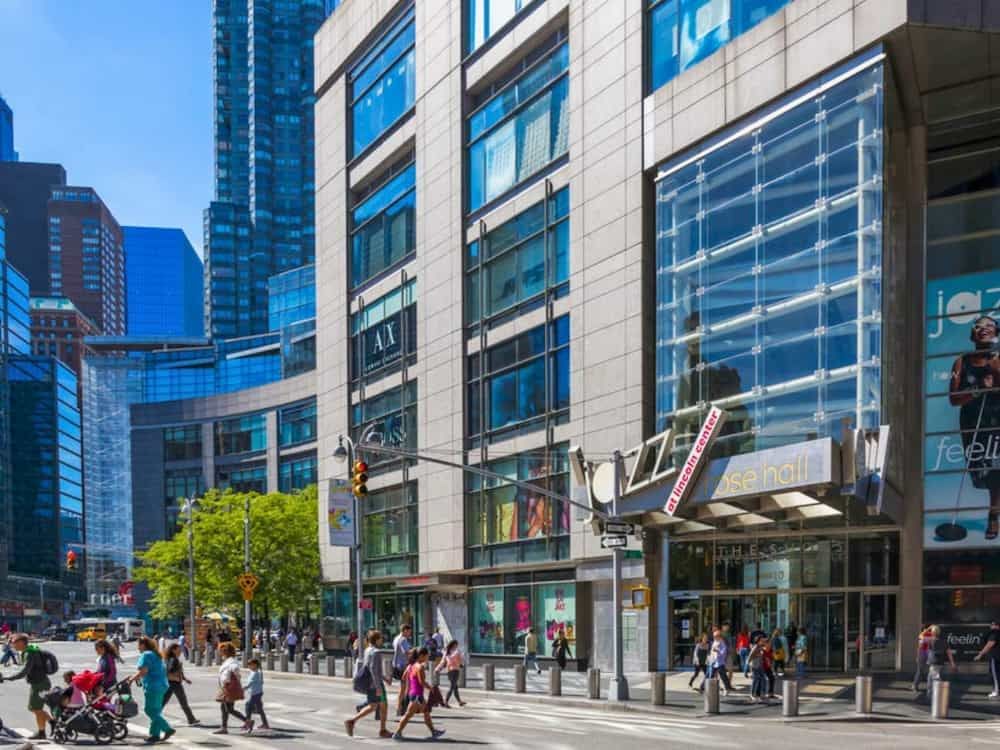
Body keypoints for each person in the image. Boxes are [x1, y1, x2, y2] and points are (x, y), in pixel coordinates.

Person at [949, 315, 1000, 538]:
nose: (984, 329)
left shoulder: (998, 359)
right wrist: (979, 387)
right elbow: (954, 398)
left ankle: (993, 517)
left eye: (989, 326)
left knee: (996, 472)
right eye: (979, 326)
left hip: (996, 420)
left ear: (996, 333)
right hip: (971, 422)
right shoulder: (961, 361)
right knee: (980, 470)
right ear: (973, 333)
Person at [0, 633, 54, 739]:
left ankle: (44, 730)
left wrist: (7, 678)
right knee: (36, 708)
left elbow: (25, 671)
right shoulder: (30, 650)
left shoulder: (29, 653)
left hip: (40, 685)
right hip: (40, 683)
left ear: (21, 642)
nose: (13, 645)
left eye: (14, 643)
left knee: (35, 708)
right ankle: (50, 724)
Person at [344, 629, 392, 738]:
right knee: (378, 706)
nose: (382, 640)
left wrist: (385, 678)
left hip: (372, 684)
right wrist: (379, 686)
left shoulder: (367, 650)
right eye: (381, 638)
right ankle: (381, 730)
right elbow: (374, 670)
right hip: (375, 684)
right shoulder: (376, 652)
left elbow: (372, 669)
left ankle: (353, 722)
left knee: (375, 706)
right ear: (377, 639)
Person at [129, 635, 175, 744]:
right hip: (162, 685)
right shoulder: (156, 654)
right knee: (156, 711)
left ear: (143, 645)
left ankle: (167, 729)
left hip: (153, 686)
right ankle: (155, 735)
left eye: (138, 645)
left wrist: (132, 679)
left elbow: (143, 671)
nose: (138, 648)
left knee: (149, 710)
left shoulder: (146, 655)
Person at [391, 647, 445, 740]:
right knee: (408, 715)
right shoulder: (419, 667)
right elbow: (422, 682)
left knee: (426, 712)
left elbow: (403, 677)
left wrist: (409, 685)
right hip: (417, 695)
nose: (427, 658)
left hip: (414, 694)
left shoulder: (410, 666)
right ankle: (397, 733)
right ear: (421, 656)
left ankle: (434, 731)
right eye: (426, 656)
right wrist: (431, 688)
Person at [214, 642, 248, 735]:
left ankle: (247, 721)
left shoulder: (231, 661)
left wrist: (232, 680)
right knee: (225, 707)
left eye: (221, 651)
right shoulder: (228, 660)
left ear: (225, 652)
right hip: (226, 687)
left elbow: (236, 670)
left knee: (228, 709)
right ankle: (224, 727)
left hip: (228, 687)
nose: (219, 652)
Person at [163, 643, 200, 725]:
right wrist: (177, 678)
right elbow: (170, 671)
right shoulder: (173, 659)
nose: (180, 650)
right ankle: (191, 719)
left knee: (163, 701)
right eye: (178, 649)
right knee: (183, 702)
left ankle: (155, 716)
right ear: (173, 650)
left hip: (170, 683)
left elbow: (178, 671)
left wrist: (185, 679)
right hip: (175, 684)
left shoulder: (170, 658)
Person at [701, 629, 733, 695]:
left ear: (719, 636)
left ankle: (727, 688)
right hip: (714, 662)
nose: (714, 637)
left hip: (720, 662)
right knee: (711, 676)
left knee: (723, 676)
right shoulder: (714, 642)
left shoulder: (722, 643)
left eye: (715, 636)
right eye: (714, 636)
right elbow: (712, 651)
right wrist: (710, 659)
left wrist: (717, 651)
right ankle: (707, 688)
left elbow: (723, 653)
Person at [435, 639, 466, 708]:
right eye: (456, 645)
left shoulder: (447, 652)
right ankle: (445, 701)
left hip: (449, 671)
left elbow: (442, 662)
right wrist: (461, 664)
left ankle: (459, 701)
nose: (457, 646)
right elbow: (461, 660)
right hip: (455, 671)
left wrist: (437, 668)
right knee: (452, 686)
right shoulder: (456, 652)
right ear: (454, 645)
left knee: (455, 687)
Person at [925, 625, 956, 693]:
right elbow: (949, 653)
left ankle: (939, 691)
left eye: (931, 631)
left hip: (933, 662)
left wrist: (928, 628)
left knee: (935, 678)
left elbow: (921, 636)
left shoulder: (930, 640)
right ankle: (930, 692)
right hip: (940, 662)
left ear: (933, 632)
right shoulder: (944, 641)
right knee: (930, 677)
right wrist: (952, 663)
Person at [242, 658, 269, 733]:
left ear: (255, 665)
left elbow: (250, 683)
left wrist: (243, 688)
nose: (249, 666)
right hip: (257, 693)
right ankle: (265, 724)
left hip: (255, 694)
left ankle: (247, 723)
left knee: (248, 707)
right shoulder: (256, 672)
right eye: (248, 664)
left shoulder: (255, 673)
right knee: (259, 709)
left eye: (250, 664)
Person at [975, 620, 1000, 698]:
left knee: (995, 674)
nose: (991, 626)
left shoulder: (994, 633)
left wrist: (980, 654)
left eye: (993, 625)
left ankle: (996, 691)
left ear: (997, 626)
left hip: (996, 657)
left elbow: (989, 645)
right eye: (991, 625)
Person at [912, 625, 934, 692]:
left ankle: (916, 686)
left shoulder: (929, 635)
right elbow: (920, 646)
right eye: (925, 629)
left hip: (926, 653)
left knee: (926, 671)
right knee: (920, 670)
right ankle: (915, 686)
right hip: (923, 653)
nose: (926, 631)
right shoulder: (924, 636)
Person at [746, 636, 767, 703]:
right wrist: (747, 669)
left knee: (762, 679)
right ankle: (752, 695)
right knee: (756, 680)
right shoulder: (755, 647)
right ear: (758, 641)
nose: (762, 641)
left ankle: (761, 694)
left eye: (763, 641)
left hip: (760, 666)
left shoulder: (760, 647)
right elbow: (749, 657)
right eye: (761, 640)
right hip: (755, 666)